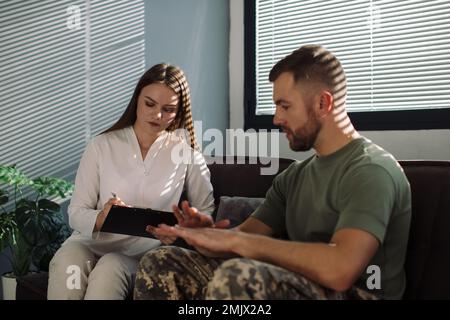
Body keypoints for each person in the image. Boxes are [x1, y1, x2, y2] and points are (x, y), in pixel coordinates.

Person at [133, 45, 412, 300]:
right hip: (301, 287)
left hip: (360, 294)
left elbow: (341, 269)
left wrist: (241, 242)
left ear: (323, 104)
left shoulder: (370, 171)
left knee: (238, 277)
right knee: (160, 261)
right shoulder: (293, 178)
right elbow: (239, 242)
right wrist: (207, 238)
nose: (277, 118)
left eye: (285, 105)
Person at [47, 63, 215, 300]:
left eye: (168, 109)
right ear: (137, 99)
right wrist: (101, 217)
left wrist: (181, 231)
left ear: (179, 112)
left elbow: (206, 213)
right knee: (67, 260)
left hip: (137, 257)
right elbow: (75, 212)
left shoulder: (188, 155)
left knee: (110, 266)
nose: (157, 115)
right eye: (149, 104)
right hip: (88, 244)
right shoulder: (101, 145)